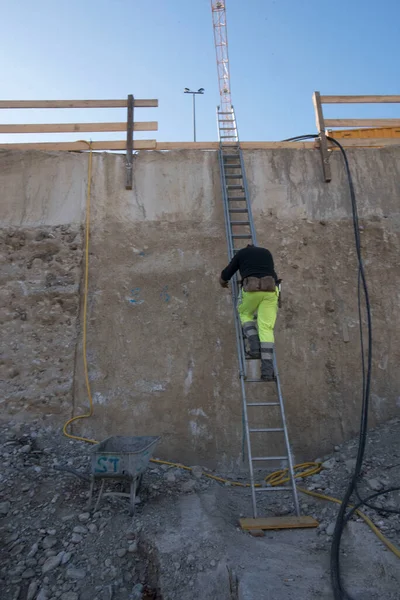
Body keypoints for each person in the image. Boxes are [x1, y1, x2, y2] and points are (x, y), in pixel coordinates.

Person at [219, 244, 280, 381]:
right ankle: (267, 372)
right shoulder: (267, 252)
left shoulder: (242, 253)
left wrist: (222, 281)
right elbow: (273, 273)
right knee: (266, 327)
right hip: (271, 290)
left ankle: (254, 347)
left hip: (252, 289)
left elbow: (228, 272)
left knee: (245, 313)